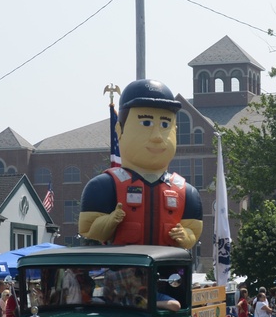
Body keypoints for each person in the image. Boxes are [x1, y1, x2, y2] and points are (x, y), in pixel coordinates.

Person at [78, 79, 203, 248]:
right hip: (123, 269)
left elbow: (193, 233)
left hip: (169, 270)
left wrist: (185, 235)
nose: (157, 136)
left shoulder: (187, 193)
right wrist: (110, 221)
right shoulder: (104, 187)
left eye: (165, 124)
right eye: (146, 123)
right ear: (119, 130)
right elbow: (89, 230)